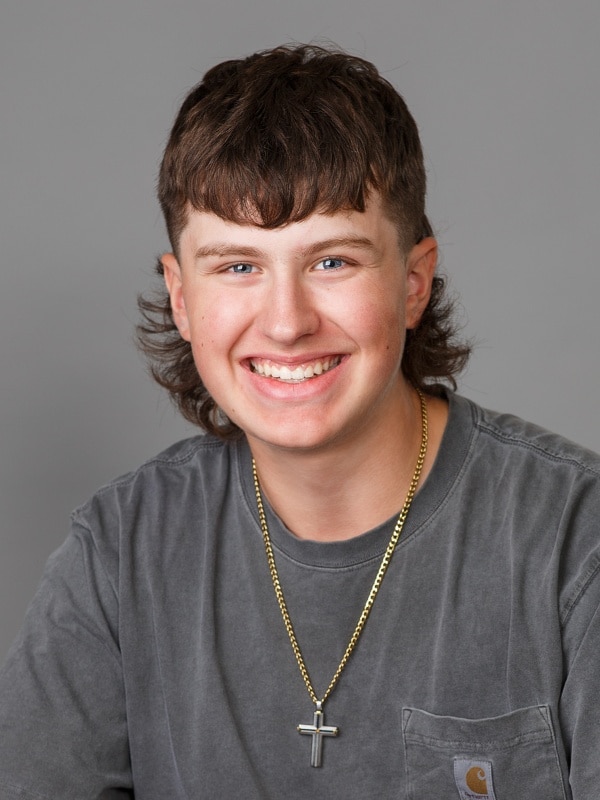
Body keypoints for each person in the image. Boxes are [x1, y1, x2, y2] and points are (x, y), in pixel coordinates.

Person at [0, 43, 598, 800]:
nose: (286, 323)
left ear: (413, 283)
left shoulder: (579, 544)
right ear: (181, 297)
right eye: (239, 266)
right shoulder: (120, 553)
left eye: (332, 262)